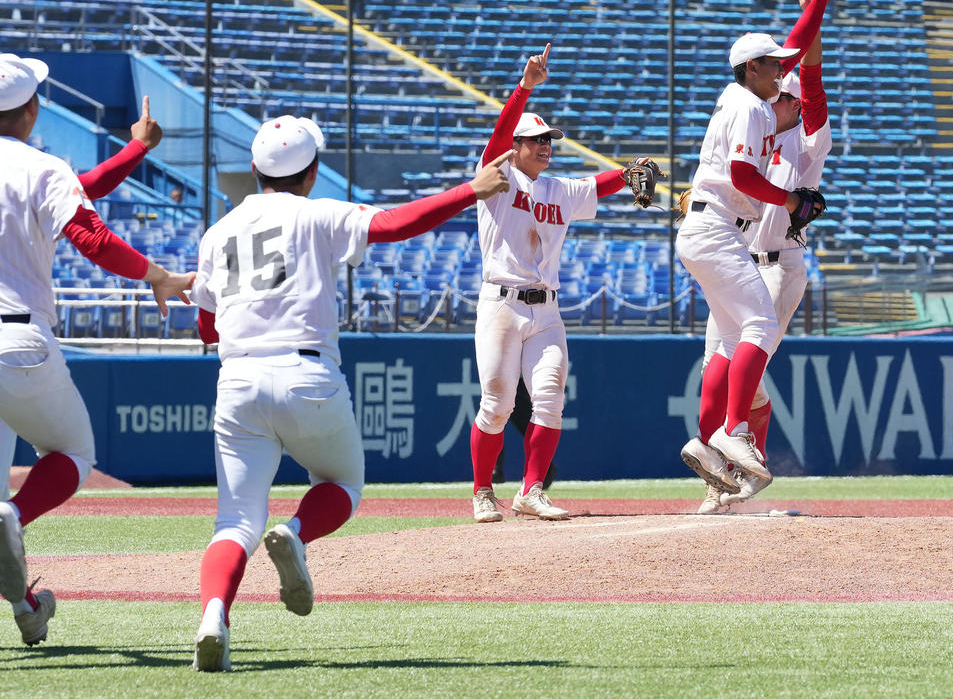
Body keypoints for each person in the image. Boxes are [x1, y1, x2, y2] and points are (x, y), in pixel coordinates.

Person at [186, 114, 509, 671]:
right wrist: (469, 189)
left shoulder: (218, 232)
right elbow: (393, 225)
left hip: (236, 379)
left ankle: (213, 615)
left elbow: (208, 329)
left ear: (258, 170)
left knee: (235, 520)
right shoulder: (315, 214)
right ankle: (295, 531)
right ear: (311, 172)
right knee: (343, 484)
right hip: (307, 374)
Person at [0, 53, 192, 647]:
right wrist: (153, 273)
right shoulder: (40, 166)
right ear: (32, 109)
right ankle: (16, 519)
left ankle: (28, 608)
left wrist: (135, 152)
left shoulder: (46, 172)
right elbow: (88, 232)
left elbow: (79, 193)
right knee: (72, 451)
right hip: (16, 338)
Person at [676, 0, 843, 497]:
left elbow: (808, 74)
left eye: (791, 89)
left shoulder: (807, 136)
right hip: (731, 244)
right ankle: (726, 451)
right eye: (779, 79)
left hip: (773, 260)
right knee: (722, 356)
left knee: (743, 350)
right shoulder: (757, 111)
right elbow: (742, 175)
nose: (787, 88)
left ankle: (733, 445)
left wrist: (818, 7)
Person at [466, 44, 639, 524]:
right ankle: (483, 492)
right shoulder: (499, 181)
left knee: (550, 395)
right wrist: (525, 90)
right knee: (497, 402)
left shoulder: (557, 190)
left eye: (549, 140)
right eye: (536, 139)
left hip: (546, 311)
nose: (545, 145)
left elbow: (594, 186)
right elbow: (499, 134)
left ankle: (531, 490)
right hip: (501, 303)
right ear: (515, 147)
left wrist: (627, 175)